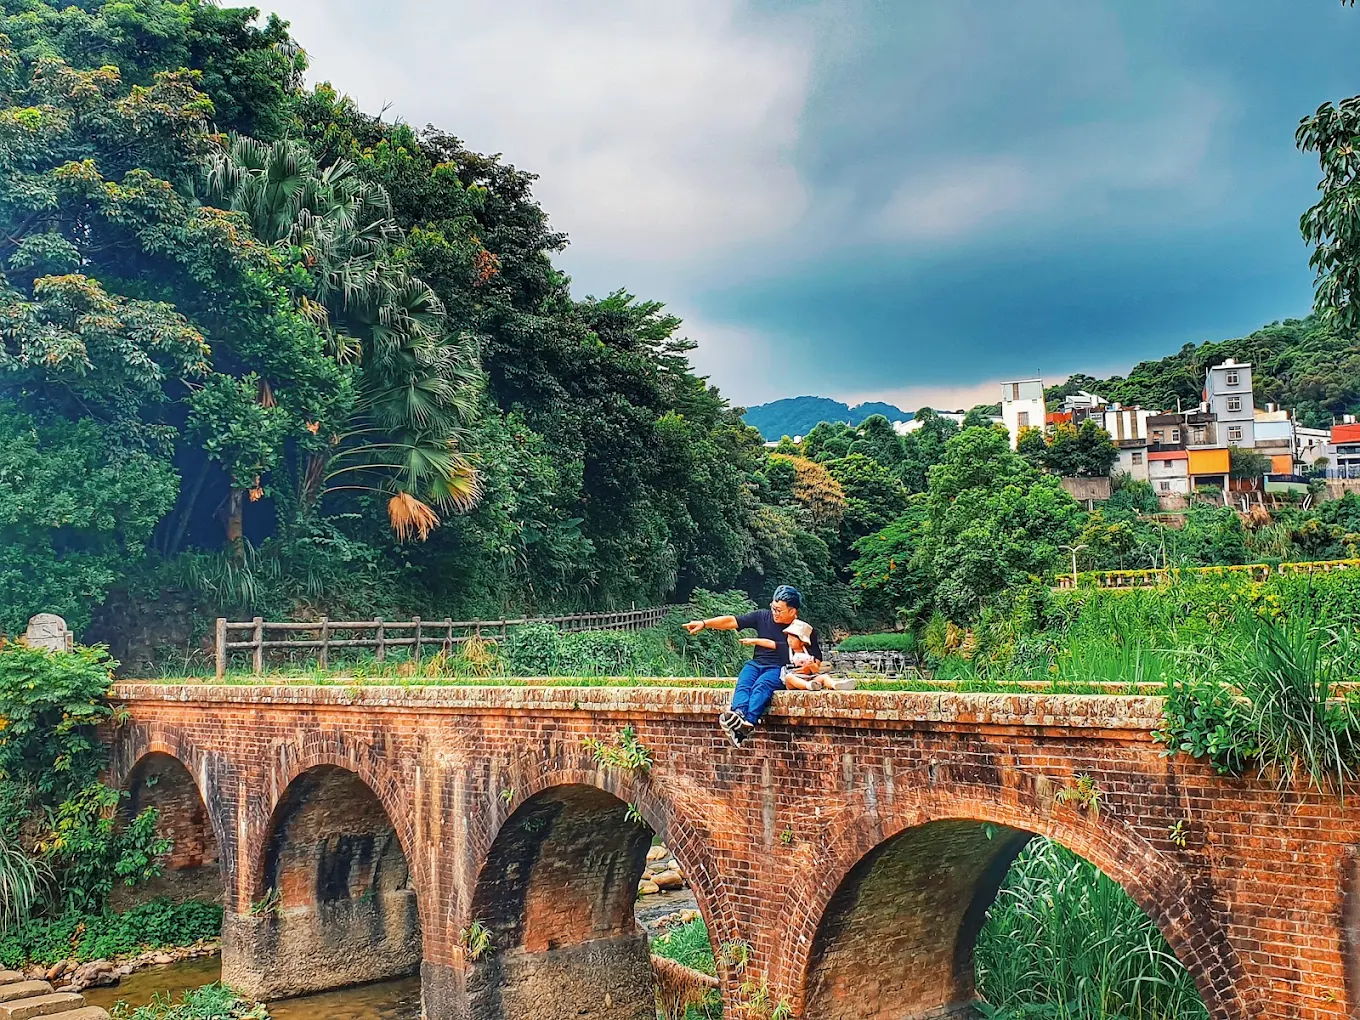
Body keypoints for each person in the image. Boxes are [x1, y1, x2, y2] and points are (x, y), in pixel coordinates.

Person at [684, 585, 821, 746]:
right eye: (773, 608)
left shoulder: (803, 630)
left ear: (792, 611)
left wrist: (804, 668)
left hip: (779, 668)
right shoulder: (762, 616)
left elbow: (816, 660)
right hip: (757, 663)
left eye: (779, 610)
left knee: (761, 686)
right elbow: (732, 621)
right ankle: (739, 714)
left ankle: (748, 722)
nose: (774, 613)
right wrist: (704, 623)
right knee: (744, 682)